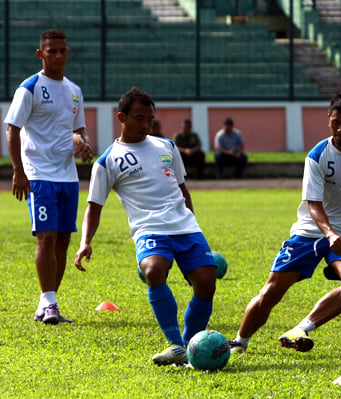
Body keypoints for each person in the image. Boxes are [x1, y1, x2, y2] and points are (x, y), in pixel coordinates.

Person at [229, 91, 341, 354]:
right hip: (310, 231)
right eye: (335, 122)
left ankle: (301, 328)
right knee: (271, 291)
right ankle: (239, 342)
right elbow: (314, 204)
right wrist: (329, 234)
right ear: (328, 119)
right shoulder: (317, 155)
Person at [74, 88, 217, 366]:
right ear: (121, 117)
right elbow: (94, 206)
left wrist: (192, 219)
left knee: (206, 282)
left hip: (185, 227)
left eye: (149, 119)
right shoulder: (107, 162)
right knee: (153, 270)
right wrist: (85, 241)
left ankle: (189, 346)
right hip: (149, 229)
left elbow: (182, 188)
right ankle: (175, 344)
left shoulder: (168, 147)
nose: (145, 125)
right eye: (139, 118)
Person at [4, 29, 94, 325]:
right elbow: (12, 128)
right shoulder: (30, 87)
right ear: (40, 54)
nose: (58, 55)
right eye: (51, 51)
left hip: (67, 176)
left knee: (63, 241)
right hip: (39, 173)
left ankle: (47, 302)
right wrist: (18, 170)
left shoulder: (75, 91)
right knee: (46, 236)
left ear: (68, 53)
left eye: (62, 50)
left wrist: (84, 143)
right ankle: (50, 303)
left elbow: (77, 130)